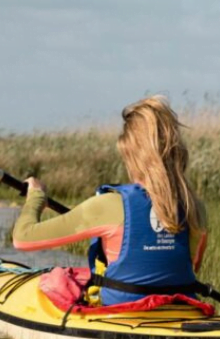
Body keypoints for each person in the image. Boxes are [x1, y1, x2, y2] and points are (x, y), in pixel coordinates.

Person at [12, 96, 208, 306]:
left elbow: (23, 238)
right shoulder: (194, 207)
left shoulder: (108, 205)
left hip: (121, 311)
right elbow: (191, 266)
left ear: (130, 154)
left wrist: (36, 197)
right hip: (180, 308)